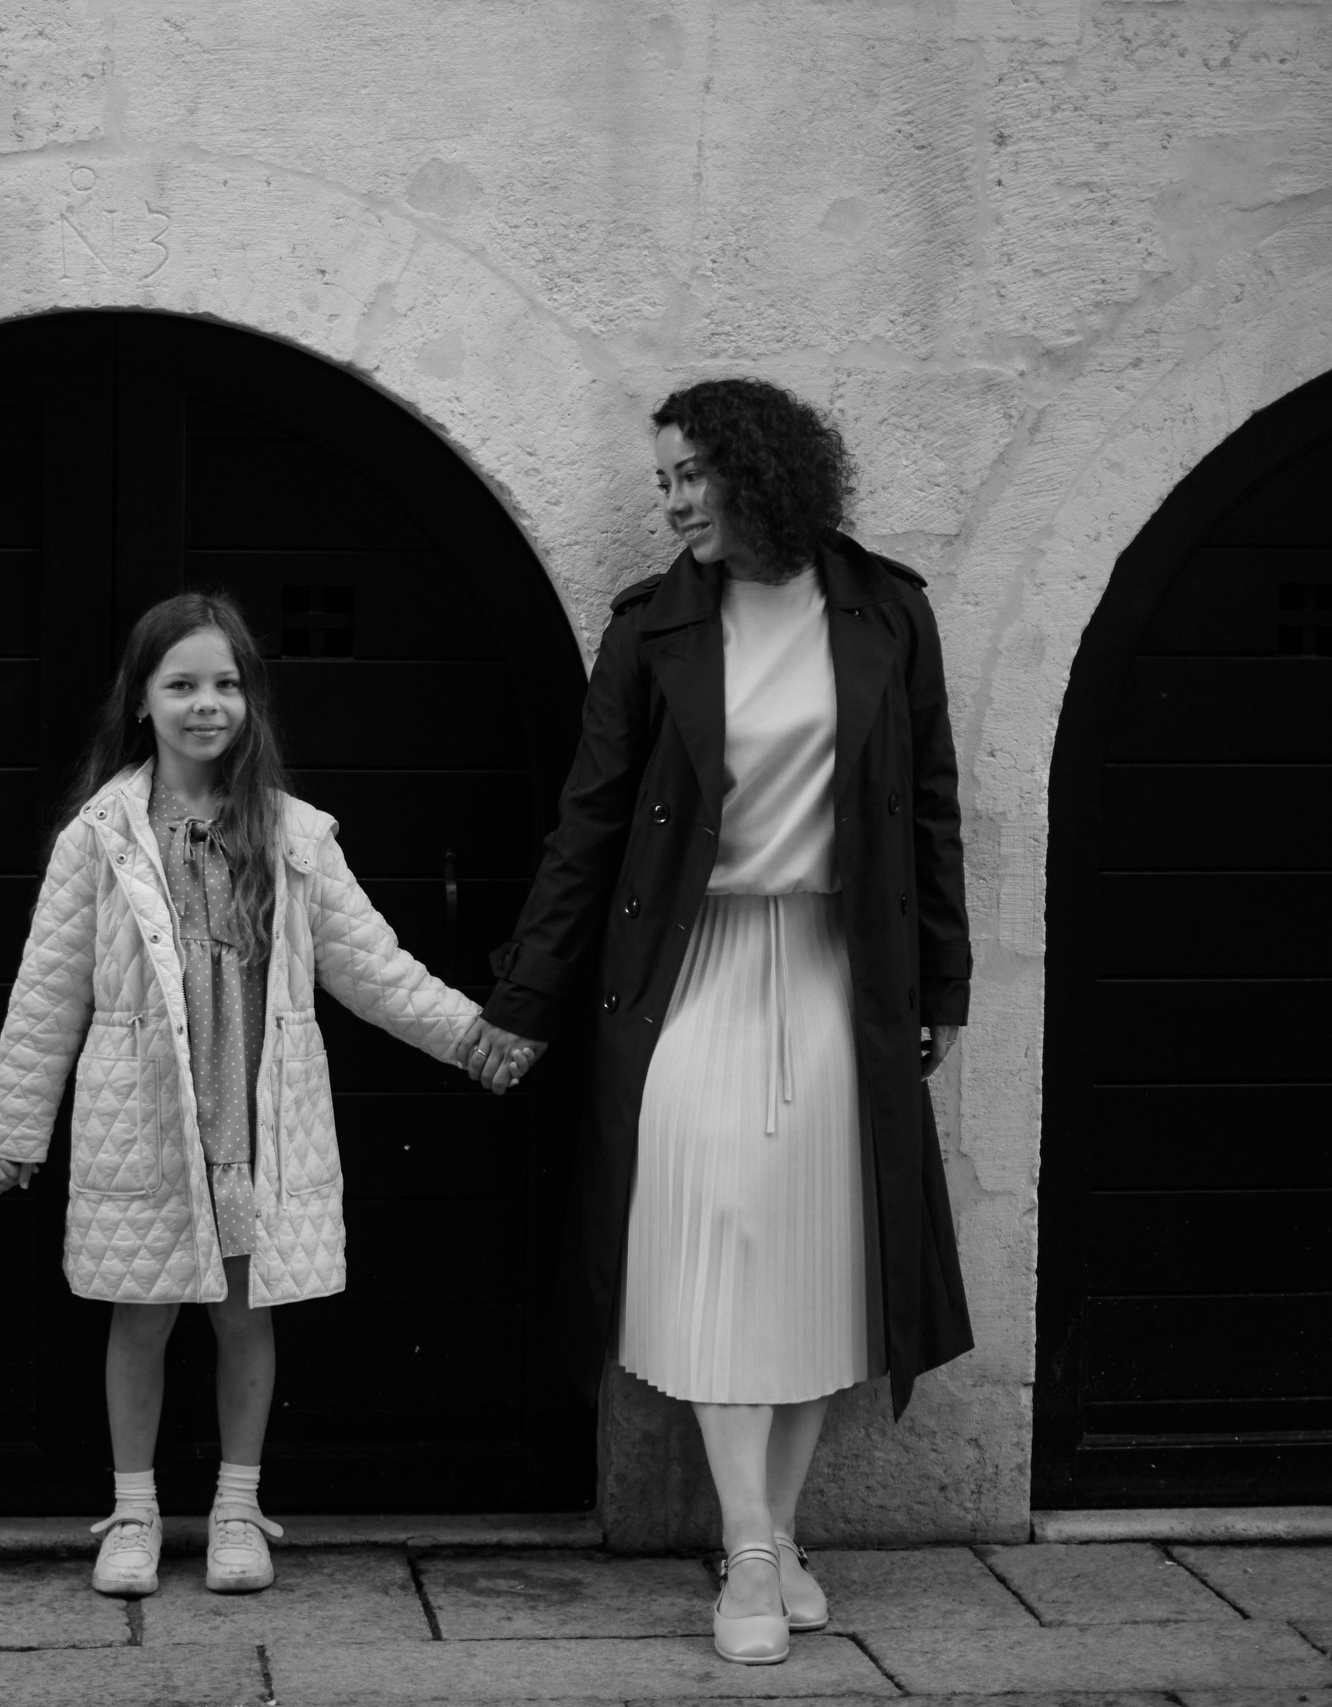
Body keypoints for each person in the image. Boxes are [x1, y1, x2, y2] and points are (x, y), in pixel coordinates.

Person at [468, 378, 975, 1664]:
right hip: (688, 975)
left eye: (693, 474)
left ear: (762, 472)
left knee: (817, 1262)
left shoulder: (885, 612)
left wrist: (942, 985)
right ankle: (748, 1549)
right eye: (662, 482)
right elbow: (588, 821)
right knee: (714, 1236)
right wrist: (524, 995)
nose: (675, 500)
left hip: (834, 971)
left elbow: (927, 808)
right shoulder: (653, 629)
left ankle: (773, 1530)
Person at [0, 592, 487, 1599]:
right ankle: (131, 1510)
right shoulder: (100, 835)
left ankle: (237, 1506)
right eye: (182, 685)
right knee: (141, 1315)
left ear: (250, 698)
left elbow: (369, 966)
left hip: (251, 1111)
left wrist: (471, 1037)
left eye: (225, 683)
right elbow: (47, 988)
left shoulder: (293, 835)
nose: (205, 703)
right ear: (141, 702)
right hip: (145, 1118)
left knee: (247, 1314)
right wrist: (12, 1128)